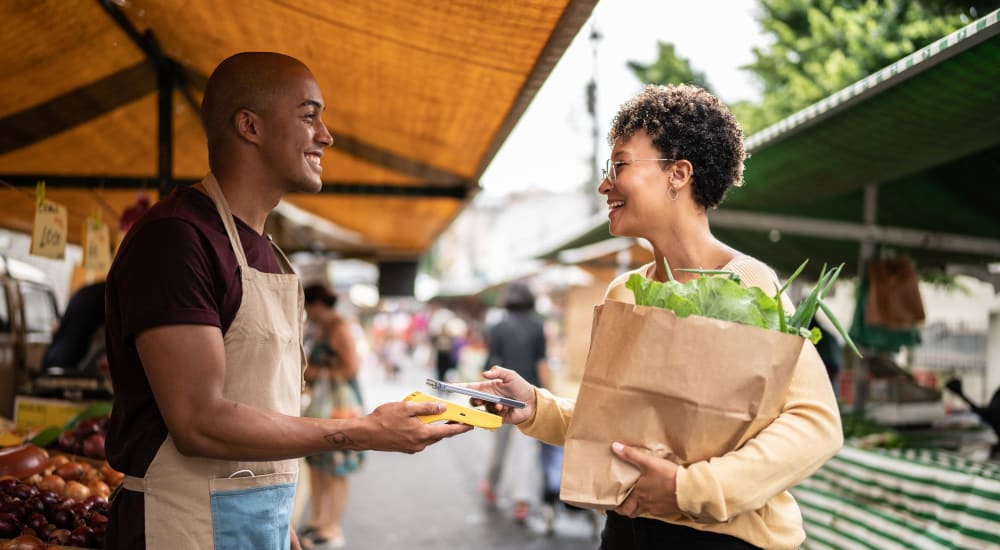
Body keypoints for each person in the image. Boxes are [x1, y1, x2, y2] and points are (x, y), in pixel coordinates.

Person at [103, 52, 471, 550]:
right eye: (308, 115)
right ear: (249, 126)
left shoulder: (271, 254)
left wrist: (279, 519)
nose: (326, 135)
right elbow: (199, 423)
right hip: (181, 526)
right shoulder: (176, 238)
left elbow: (257, 404)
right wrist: (362, 431)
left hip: (257, 517)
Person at [467, 84, 842, 549]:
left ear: (678, 174)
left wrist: (690, 489)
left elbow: (815, 425)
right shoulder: (624, 292)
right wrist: (535, 408)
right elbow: (616, 425)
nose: (606, 184)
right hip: (628, 532)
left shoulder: (751, 284)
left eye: (620, 165)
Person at [300, 284, 363, 549]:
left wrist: (317, 373)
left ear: (316, 304)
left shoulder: (339, 327)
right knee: (316, 463)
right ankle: (318, 519)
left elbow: (351, 367)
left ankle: (332, 525)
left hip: (339, 404)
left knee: (337, 466)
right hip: (323, 403)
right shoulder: (322, 328)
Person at [479, 282, 547, 523]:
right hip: (530, 395)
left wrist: (482, 395)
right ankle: (521, 501)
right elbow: (542, 364)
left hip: (502, 395)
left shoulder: (497, 327)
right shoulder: (538, 327)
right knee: (526, 449)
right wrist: (549, 394)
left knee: (499, 446)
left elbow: (489, 364)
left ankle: (491, 485)